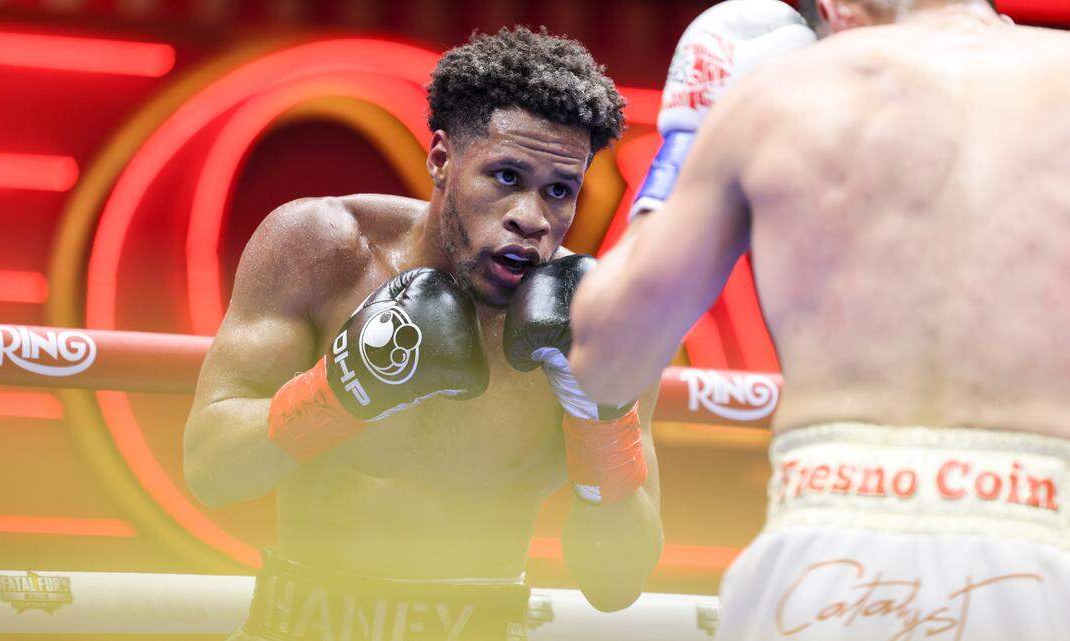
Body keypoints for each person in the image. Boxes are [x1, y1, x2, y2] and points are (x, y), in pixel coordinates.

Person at [569, 0, 1070, 639]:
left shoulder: (781, 99)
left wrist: (688, 140)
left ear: (836, 9)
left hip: (829, 553)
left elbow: (607, 359)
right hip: (1049, 539)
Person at [183, 27, 663, 641]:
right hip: (302, 626)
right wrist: (343, 388)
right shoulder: (327, 249)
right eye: (507, 176)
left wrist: (602, 423)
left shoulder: (599, 321)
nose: (532, 217)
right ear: (441, 159)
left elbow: (617, 582)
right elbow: (210, 471)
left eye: (559, 191)